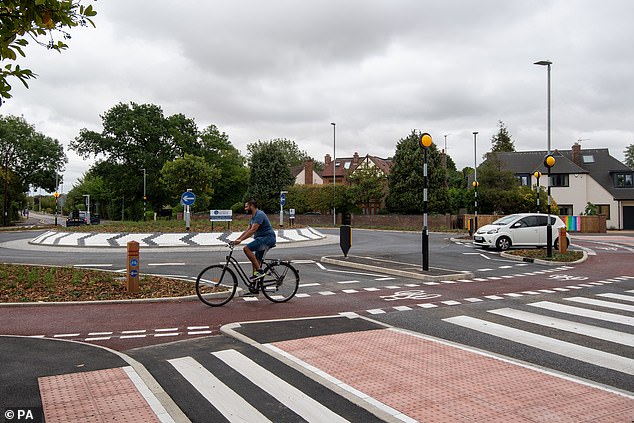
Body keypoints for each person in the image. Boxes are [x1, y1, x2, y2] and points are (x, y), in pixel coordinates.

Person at [231, 200, 276, 280]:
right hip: (261, 239)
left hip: (267, 238)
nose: (245, 209)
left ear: (252, 206)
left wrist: (241, 240)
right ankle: (256, 283)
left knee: (246, 248)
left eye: (246, 206)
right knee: (255, 261)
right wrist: (236, 240)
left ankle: (260, 271)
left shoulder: (259, 214)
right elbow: (247, 230)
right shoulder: (253, 216)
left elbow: (253, 230)